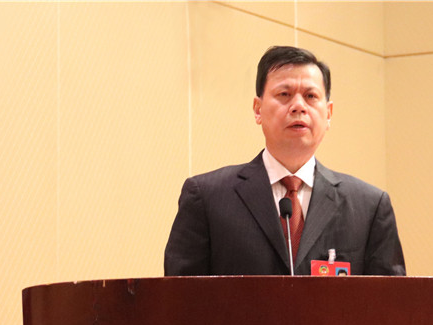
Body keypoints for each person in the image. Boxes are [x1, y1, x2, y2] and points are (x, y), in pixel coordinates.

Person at [164, 46, 405, 276]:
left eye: (310, 96)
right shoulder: (208, 198)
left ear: (328, 114)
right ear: (258, 109)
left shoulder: (369, 207)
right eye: (284, 94)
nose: (298, 106)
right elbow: (178, 298)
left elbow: (391, 300)